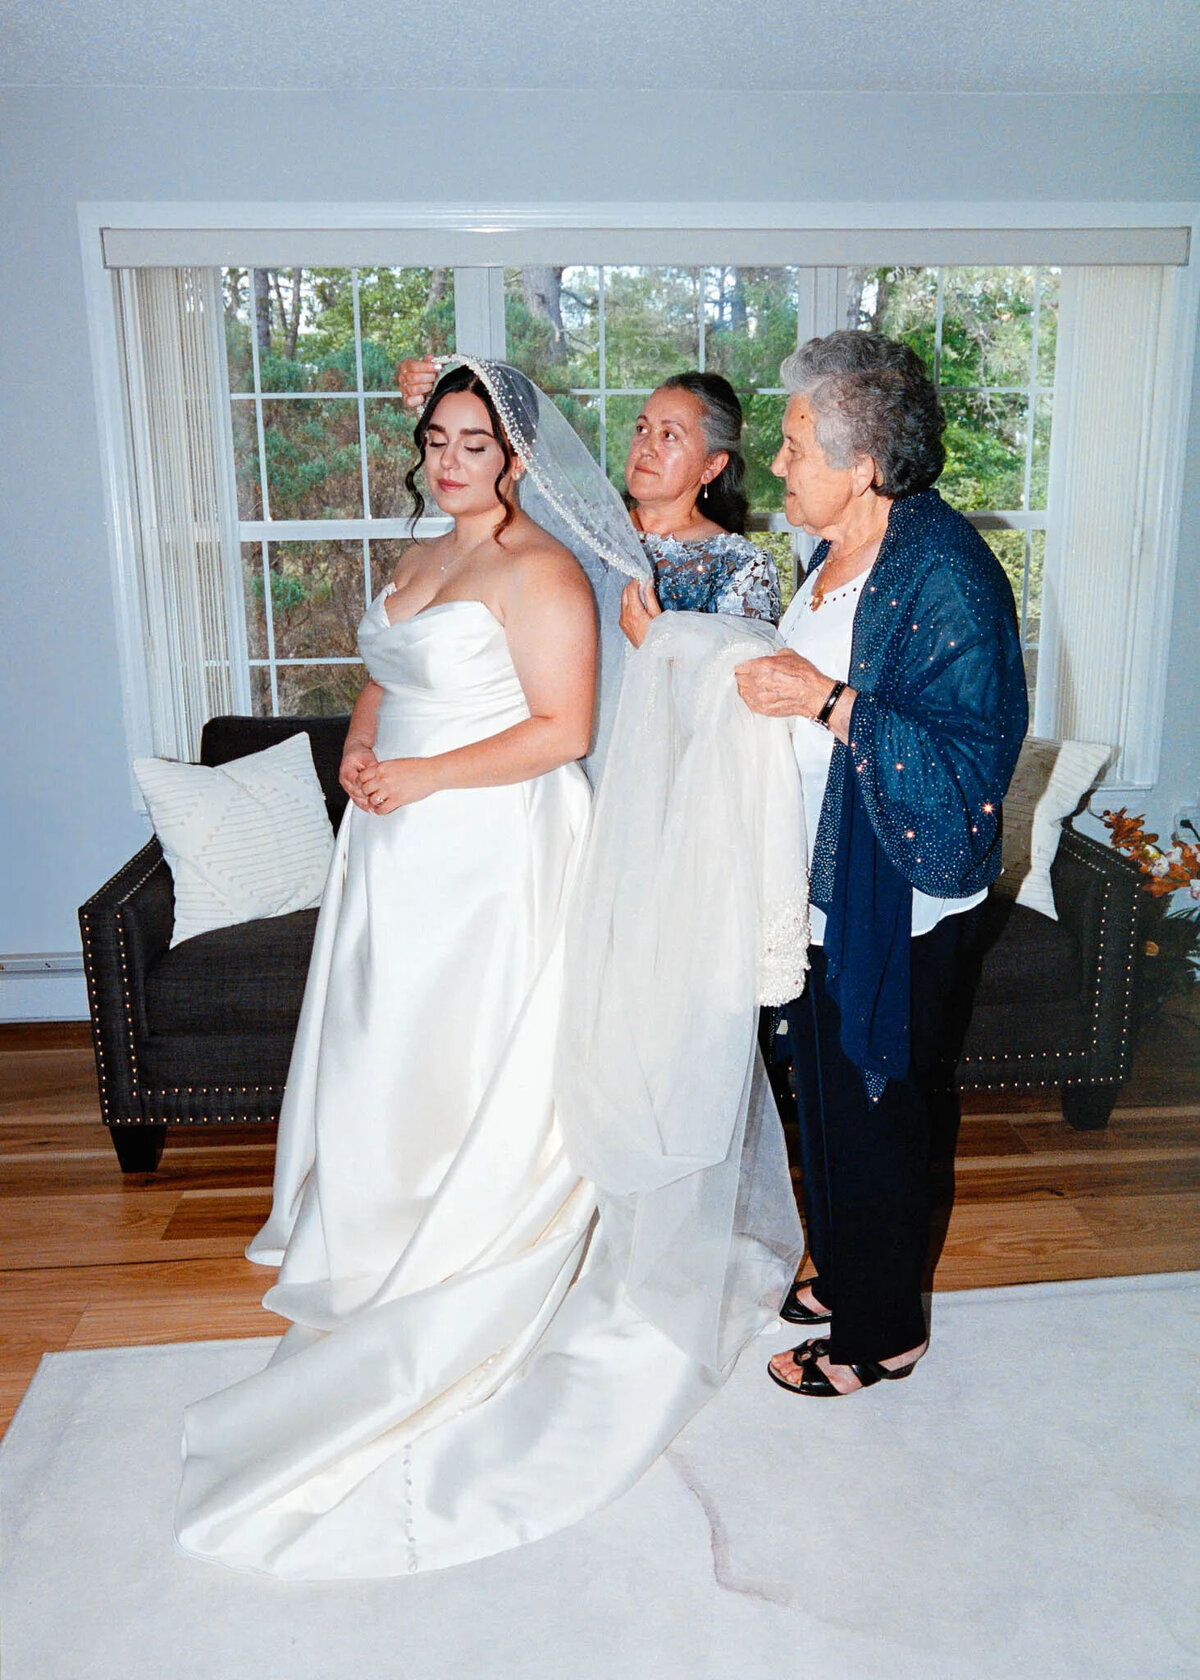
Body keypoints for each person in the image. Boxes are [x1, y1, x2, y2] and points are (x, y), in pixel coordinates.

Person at [174, 359, 804, 1579]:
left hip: (491, 850)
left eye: (477, 442)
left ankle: (470, 1241)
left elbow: (563, 732)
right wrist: (361, 759)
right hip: (393, 844)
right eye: (440, 440)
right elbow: (380, 678)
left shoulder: (545, 570)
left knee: (464, 1048)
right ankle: (375, 1232)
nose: (455, 460)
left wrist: (420, 780)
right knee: (381, 1045)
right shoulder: (416, 561)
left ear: (515, 457)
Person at [734, 331, 1027, 1399]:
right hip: (826, 878)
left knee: (883, 1107)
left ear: (862, 465)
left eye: (797, 443)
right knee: (830, 1096)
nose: (778, 462)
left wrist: (820, 700)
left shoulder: (946, 574)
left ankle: (881, 1331)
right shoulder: (838, 551)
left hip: (897, 894)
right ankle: (857, 1265)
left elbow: (965, 764)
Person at [396, 359, 782, 647]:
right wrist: (432, 403)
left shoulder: (740, 566)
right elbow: (491, 492)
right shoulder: (581, 527)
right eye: (642, 428)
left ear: (712, 466)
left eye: (670, 436)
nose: (646, 447)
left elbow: (741, 697)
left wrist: (661, 644)